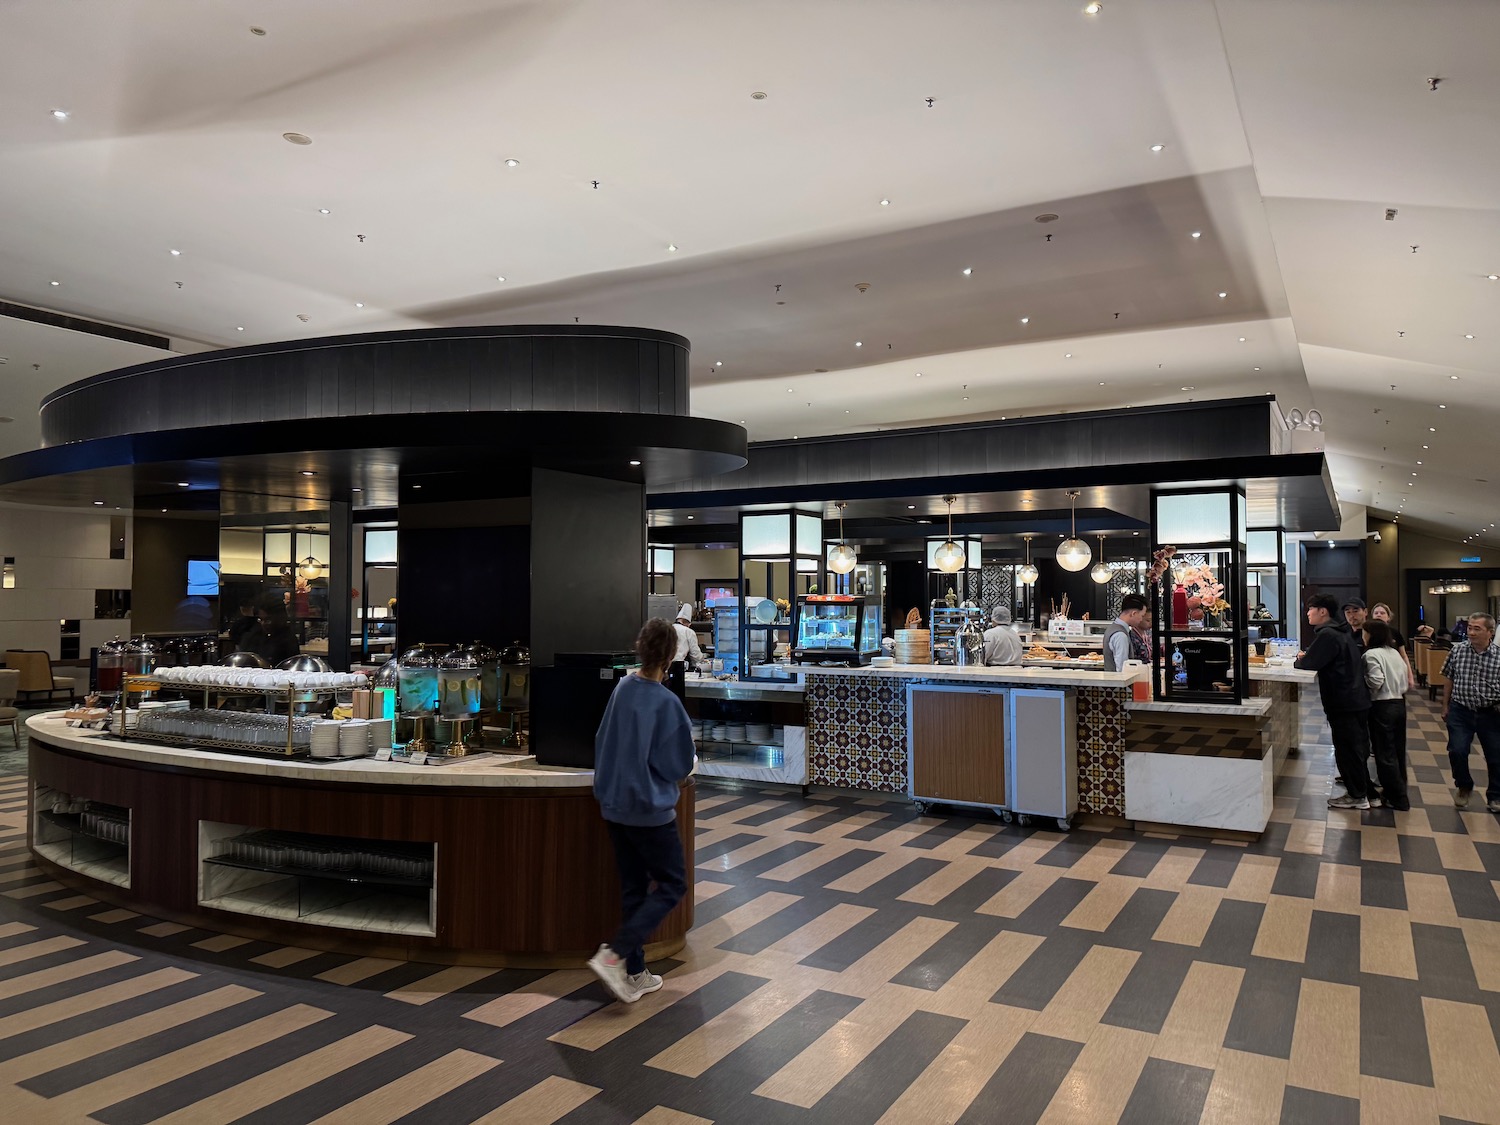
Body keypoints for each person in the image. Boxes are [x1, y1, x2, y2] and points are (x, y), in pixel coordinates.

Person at [588, 618, 696, 1003]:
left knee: (634, 887)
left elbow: (603, 738)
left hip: (614, 805)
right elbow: (678, 764)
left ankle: (635, 973)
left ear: (640, 647)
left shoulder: (622, 689)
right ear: (671, 655)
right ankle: (615, 954)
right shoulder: (667, 703)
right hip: (649, 809)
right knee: (673, 884)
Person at [1296, 593, 1374, 810]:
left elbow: (1310, 663)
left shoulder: (1328, 635)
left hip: (1344, 701)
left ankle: (1358, 796)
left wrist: (1300, 660)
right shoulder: (1339, 632)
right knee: (1355, 748)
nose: (1307, 613)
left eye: (1311, 609)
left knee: (1347, 749)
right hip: (1355, 699)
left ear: (1323, 611)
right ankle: (1365, 792)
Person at [1440, 612, 1500, 812]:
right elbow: (1449, 677)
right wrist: (1445, 705)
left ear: (1490, 632)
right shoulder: (1458, 651)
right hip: (1461, 709)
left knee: (1495, 756)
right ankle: (1464, 785)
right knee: (1457, 750)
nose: (1471, 632)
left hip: (1490, 712)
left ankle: (1495, 795)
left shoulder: (1498, 656)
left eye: (1477, 629)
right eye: (1470, 628)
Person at [1362, 620, 1410, 810]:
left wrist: (1363, 680)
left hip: (1382, 706)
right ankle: (1399, 791)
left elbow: (1376, 681)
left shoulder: (1371, 655)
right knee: (1398, 751)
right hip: (1399, 703)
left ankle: (1397, 797)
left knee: (1384, 753)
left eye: (1365, 633)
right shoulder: (1394, 653)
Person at [239, 593, 299, 666]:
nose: (263, 623)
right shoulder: (253, 636)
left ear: (280, 618)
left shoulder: (288, 640)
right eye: (260, 619)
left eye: (268, 620)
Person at [1370, 602, 1416, 689]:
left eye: (1382, 613)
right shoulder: (1368, 633)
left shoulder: (1395, 633)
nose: (1379, 615)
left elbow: (1403, 655)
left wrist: (1410, 676)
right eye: (1376, 613)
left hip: (1394, 672)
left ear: (1388, 617)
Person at [1103, 594, 1149, 673]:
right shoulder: (1120, 635)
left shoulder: (1113, 628)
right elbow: (1122, 669)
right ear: (1133, 613)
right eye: (1142, 616)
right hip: (1118, 680)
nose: (1141, 619)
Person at [671, 604, 705, 670]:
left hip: (664, 666)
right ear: (688, 624)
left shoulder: (668, 628)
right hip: (679, 666)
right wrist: (702, 659)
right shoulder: (688, 631)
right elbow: (695, 654)